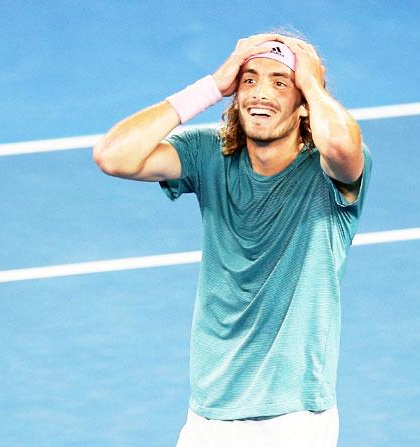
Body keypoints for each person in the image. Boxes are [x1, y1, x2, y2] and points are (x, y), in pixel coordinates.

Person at [93, 32, 372, 447]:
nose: (261, 93)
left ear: (303, 108)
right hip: (210, 410)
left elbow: (343, 145)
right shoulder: (207, 155)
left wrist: (312, 83)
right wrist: (210, 86)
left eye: (281, 83)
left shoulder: (330, 174)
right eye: (250, 80)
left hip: (293, 415)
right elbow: (112, 156)